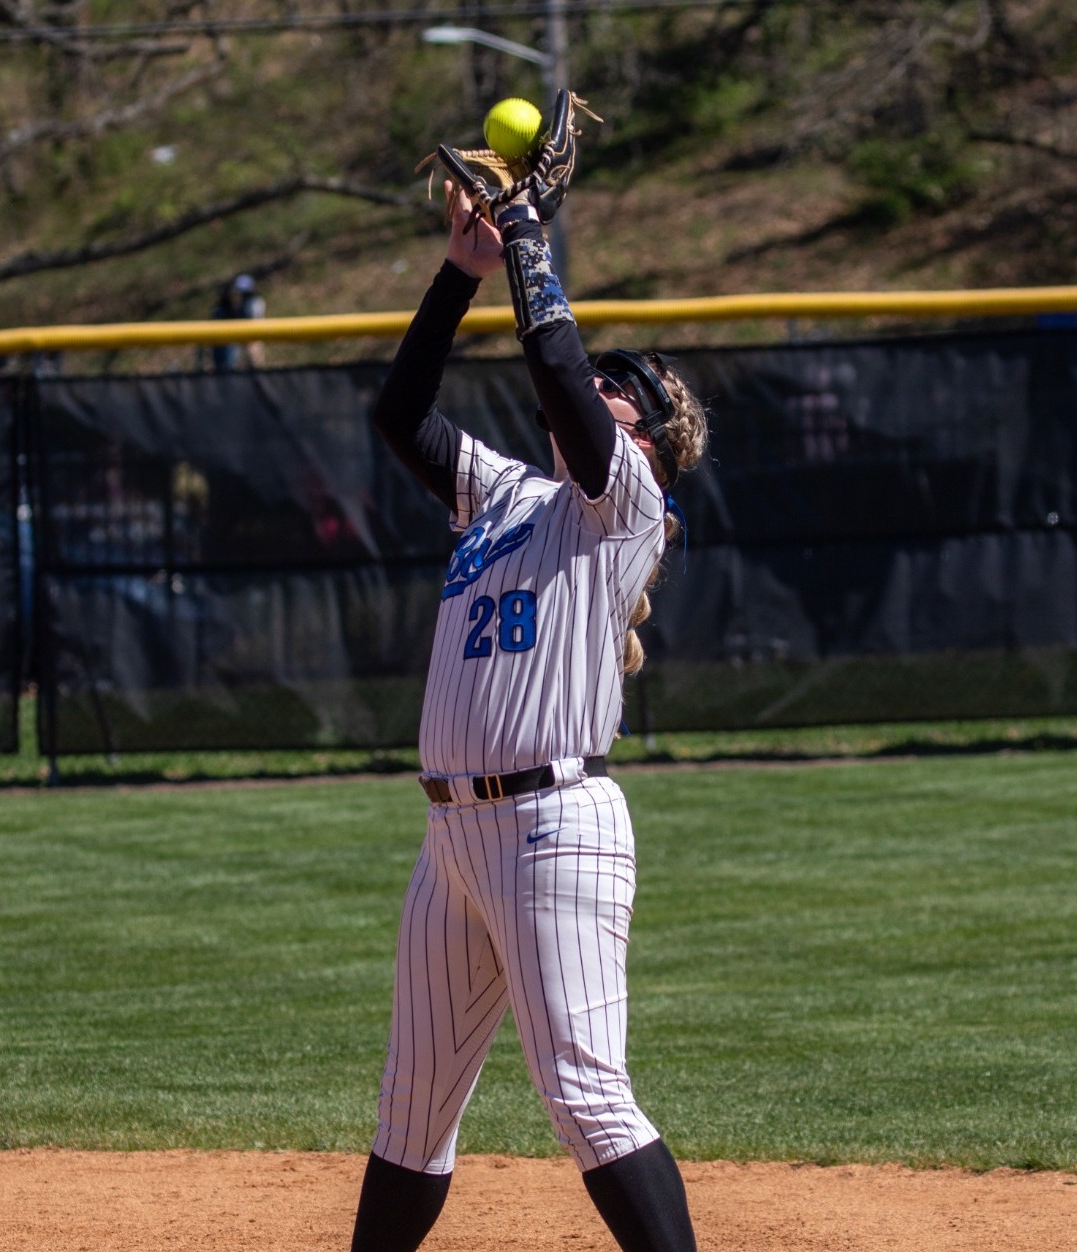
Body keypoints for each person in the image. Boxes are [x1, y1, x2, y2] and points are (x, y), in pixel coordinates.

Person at [349, 144, 709, 1252]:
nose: (599, 386)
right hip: (452, 835)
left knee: (585, 1094)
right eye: (605, 376)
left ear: (643, 436)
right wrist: (464, 267)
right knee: (412, 1111)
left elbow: (556, 374)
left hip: (555, 828)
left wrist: (531, 241)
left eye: (623, 390)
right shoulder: (507, 494)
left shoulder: (625, 500)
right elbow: (401, 411)